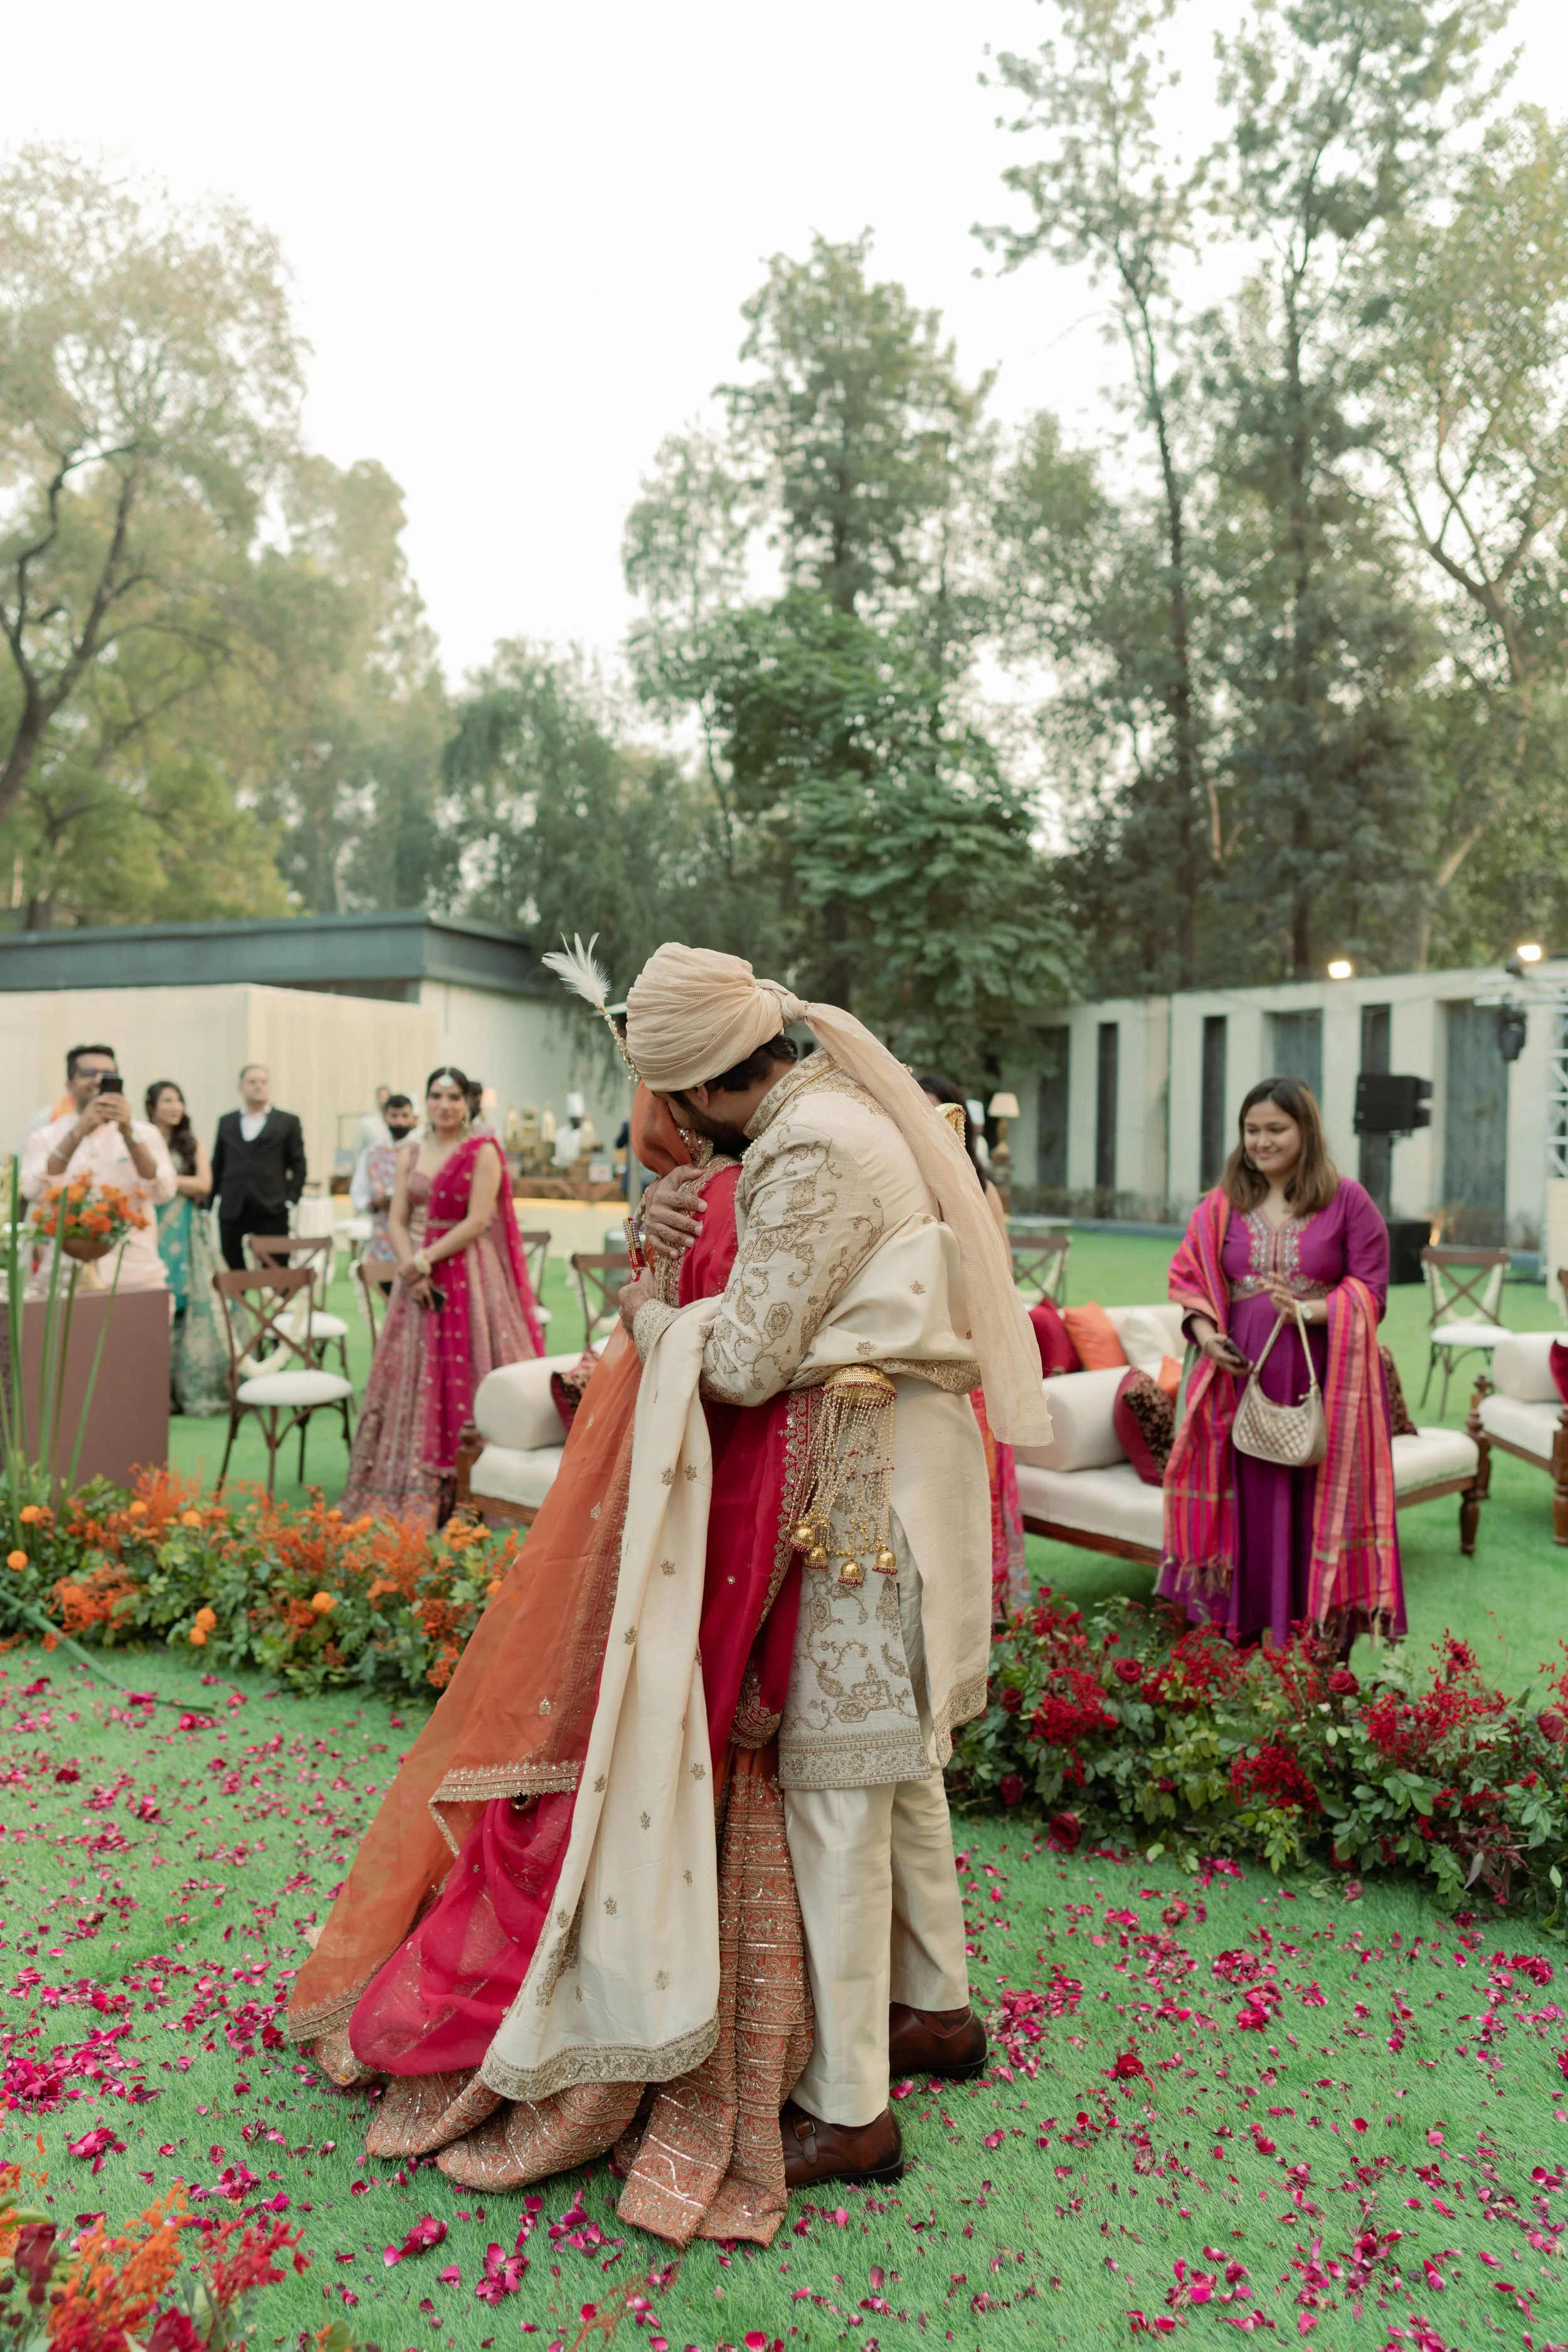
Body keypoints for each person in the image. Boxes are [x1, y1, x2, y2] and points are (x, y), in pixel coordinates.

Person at [1157, 1075, 1404, 1651]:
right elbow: (1189, 1279)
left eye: (1275, 1129)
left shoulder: (1348, 1201)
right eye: (1251, 1130)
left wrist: (1311, 1311)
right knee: (1247, 1505)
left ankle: (1315, 1641)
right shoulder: (1221, 1206)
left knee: (1314, 1502)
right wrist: (1206, 1334)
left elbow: (1373, 1291)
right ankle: (1240, 1637)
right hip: (1236, 1383)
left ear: (1305, 1131)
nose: (1261, 1142)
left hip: (1319, 1382)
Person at [339, 1066, 545, 1522]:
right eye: (437, 1096)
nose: (445, 1105)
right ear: (426, 1101)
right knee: (411, 1372)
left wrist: (424, 1261)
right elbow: (395, 1217)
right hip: (416, 1276)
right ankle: (411, 1477)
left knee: (472, 1363)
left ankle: (483, 1483)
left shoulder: (483, 1151)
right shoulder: (410, 1151)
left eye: (454, 1097)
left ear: (468, 1102)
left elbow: (476, 1223)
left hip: (466, 1272)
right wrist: (409, 1266)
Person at [917, 1073, 1027, 1618]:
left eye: (939, 1116)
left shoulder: (976, 1191)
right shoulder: (884, 1184)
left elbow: (996, 1284)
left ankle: (980, 1616)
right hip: (900, 1371)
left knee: (969, 1494)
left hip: (961, 1364)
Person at [20, 1047, 176, 1291]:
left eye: (108, 1073)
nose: (99, 1080)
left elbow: (163, 1192)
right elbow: (33, 1191)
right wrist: (80, 1131)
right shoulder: (45, 1137)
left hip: (135, 1275)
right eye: (89, 1073)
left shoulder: (145, 1133)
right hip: (64, 1277)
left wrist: (127, 1133)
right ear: (69, 1085)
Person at [146, 1081, 229, 1415]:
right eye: (167, 1100)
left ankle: (187, 1386)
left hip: (186, 1228)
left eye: (179, 1100)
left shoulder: (192, 1143)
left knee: (187, 1303)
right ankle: (155, 1388)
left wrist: (163, 1179)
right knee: (154, 1301)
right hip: (152, 1228)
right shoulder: (142, 1140)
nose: (174, 1107)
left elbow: (205, 1185)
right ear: (151, 1106)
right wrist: (171, 1183)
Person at [210, 1066, 307, 1272]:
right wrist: (207, 1204)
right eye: (252, 1082)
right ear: (241, 1087)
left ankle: (280, 1301)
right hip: (233, 1206)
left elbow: (299, 1164)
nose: (258, 1087)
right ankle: (239, 1301)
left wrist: (290, 1199)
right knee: (233, 1263)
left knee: (276, 1267)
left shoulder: (287, 1121)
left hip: (272, 1207)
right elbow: (218, 1164)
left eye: (263, 1082)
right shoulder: (227, 1122)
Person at [348, 1093, 418, 1264]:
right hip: (382, 1240)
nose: (399, 1122)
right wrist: (374, 1203)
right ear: (385, 1117)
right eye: (394, 1116)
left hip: (416, 1240)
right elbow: (358, 1193)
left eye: (404, 1116)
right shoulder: (372, 1153)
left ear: (413, 1119)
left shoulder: (422, 1150)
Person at [355, 1087, 393, 1153]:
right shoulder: (367, 1122)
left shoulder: (396, 1123)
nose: (384, 1101)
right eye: (381, 1098)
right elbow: (358, 1148)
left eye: (386, 1098)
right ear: (377, 1099)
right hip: (371, 1161)